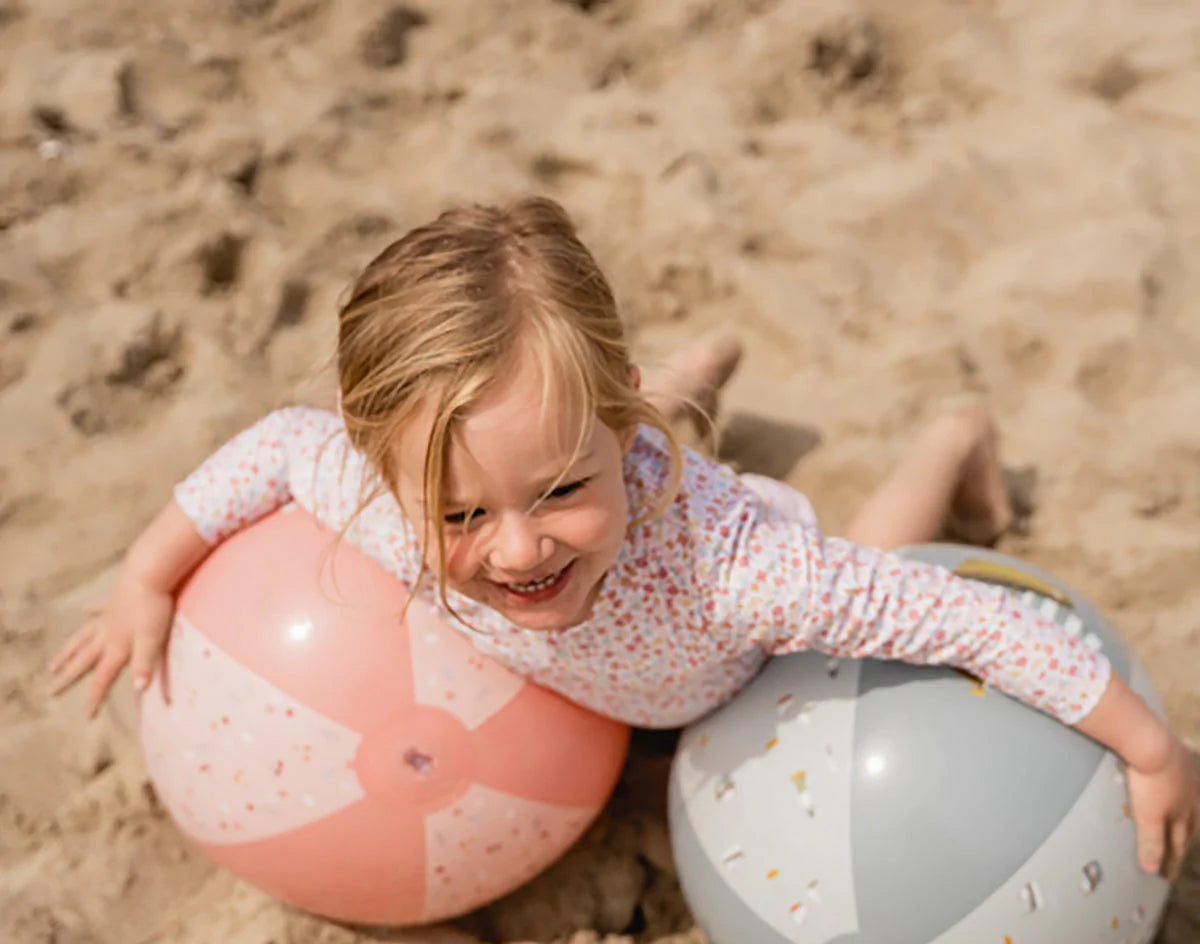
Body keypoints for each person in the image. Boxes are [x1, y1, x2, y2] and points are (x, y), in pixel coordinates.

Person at [49, 196, 1197, 878]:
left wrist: (1150, 749)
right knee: (572, 461)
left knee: (877, 558)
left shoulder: (744, 576)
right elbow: (272, 446)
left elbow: (964, 620)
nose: (515, 553)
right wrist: (147, 576)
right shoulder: (388, 496)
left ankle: (950, 441)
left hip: (737, 664)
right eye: (461, 514)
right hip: (628, 485)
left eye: (556, 493)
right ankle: (692, 377)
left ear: (617, 427)